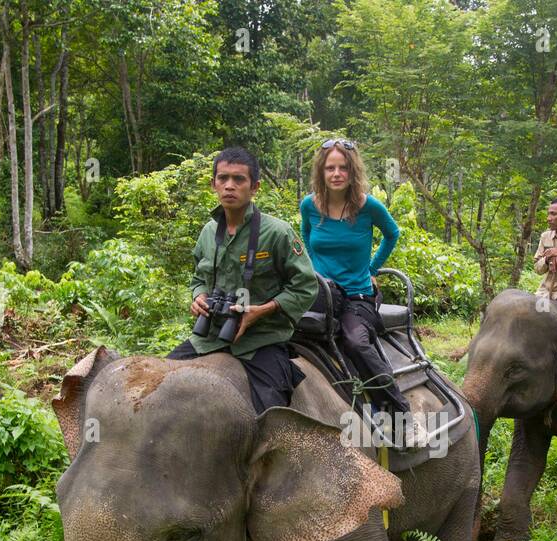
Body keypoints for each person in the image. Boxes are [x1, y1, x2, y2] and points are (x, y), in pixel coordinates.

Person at [168, 146, 318, 414]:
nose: (229, 186)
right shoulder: (208, 231)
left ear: (254, 186)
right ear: (213, 183)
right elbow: (198, 278)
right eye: (223, 178)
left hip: (261, 340)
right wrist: (198, 297)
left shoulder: (277, 232)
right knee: (160, 388)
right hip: (210, 336)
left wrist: (261, 311)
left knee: (270, 414)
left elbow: (305, 286)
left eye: (239, 179)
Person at [300, 137, 426, 446]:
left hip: (357, 296)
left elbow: (392, 233)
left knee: (356, 342)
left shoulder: (367, 206)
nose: (337, 173)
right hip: (321, 296)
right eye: (330, 168)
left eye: (343, 167)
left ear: (352, 172)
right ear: (321, 171)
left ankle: (403, 416)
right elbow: (306, 237)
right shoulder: (309, 205)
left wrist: (370, 269)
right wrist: (315, 273)